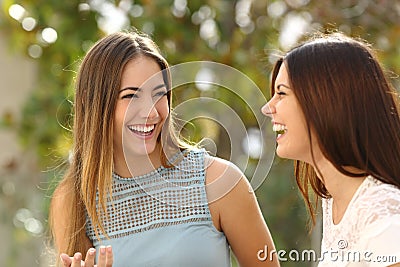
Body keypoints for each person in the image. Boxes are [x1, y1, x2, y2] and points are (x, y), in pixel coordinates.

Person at [49, 30, 280, 267]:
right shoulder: (73, 200)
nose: (151, 112)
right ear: (91, 101)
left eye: (159, 94)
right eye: (131, 96)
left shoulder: (219, 182)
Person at [261, 32, 400, 266]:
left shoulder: (384, 215)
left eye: (281, 93)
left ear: (325, 102)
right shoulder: (337, 202)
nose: (268, 108)